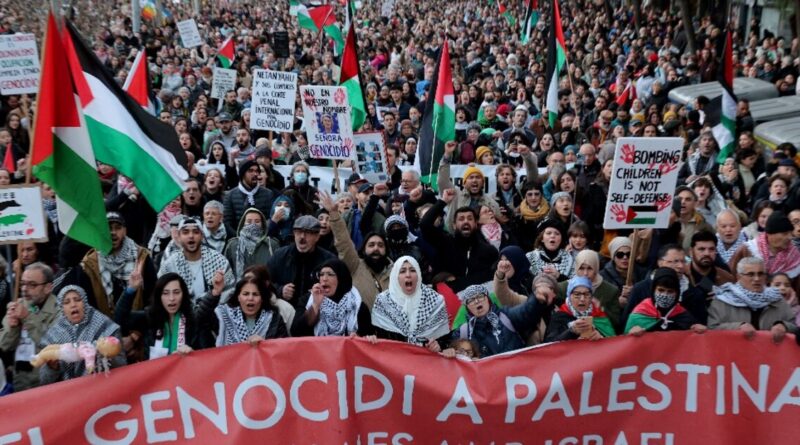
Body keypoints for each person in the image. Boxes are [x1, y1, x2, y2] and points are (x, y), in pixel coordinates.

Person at [39, 286, 126, 384]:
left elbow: (122, 364)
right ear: (62, 308)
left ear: (84, 302)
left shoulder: (105, 326)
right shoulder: (54, 335)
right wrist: (52, 368)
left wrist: (106, 355)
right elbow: (44, 381)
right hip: (71, 394)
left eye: (77, 300)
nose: (73, 305)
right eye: (67, 302)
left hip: (103, 387)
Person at [320, 191, 392, 310]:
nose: (376, 248)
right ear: (363, 250)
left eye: (380, 245)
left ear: (386, 250)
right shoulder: (355, 266)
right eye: (371, 245)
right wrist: (333, 214)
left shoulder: (396, 270)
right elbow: (343, 242)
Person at [81, 212, 156, 318]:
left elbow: (152, 296)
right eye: (108, 228)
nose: (113, 232)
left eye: (117, 228)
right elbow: (89, 304)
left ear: (125, 231)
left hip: (137, 326)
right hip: (104, 329)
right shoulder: (91, 263)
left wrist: (137, 331)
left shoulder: (141, 258)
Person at [420, 192, 499, 291]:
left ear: (475, 224)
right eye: (461, 219)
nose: (466, 221)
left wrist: (459, 283)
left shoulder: (488, 251)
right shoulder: (444, 243)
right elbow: (425, 224)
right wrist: (442, 201)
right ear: (454, 225)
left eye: (470, 218)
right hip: (448, 299)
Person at [114, 273, 203, 358]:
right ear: (158, 296)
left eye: (176, 292)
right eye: (165, 293)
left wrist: (192, 353)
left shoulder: (193, 320)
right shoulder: (149, 317)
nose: (171, 298)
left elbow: (205, 355)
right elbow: (120, 318)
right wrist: (131, 289)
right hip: (155, 372)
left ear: (183, 295)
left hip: (185, 371)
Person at [0, 263, 59, 391]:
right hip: (20, 381)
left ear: (48, 287)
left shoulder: (58, 309)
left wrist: (27, 317)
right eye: (23, 283)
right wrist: (12, 327)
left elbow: (49, 345)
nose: (25, 289)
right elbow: (4, 345)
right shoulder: (18, 305)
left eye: (32, 285)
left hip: (47, 383)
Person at [709, 257, 797, 342]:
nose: (757, 279)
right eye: (751, 274)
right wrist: (737, 327)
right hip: (733, 354)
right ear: (738, 276)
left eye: (760, 274)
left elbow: (794, 326)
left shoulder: (777, 299)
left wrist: (784, 326)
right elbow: (711, 328)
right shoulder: (723, 299)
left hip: (770, 355)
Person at [371, 256, 450, 350]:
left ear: (419, 275)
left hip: (425, 361)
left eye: (413, 270)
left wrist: (438, 345)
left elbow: (445, 341)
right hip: (392, 359)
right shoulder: (383, 301)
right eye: (402, 271)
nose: (408, 275)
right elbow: (377, 337)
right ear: (395, 276)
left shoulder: (435, 301)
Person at [450, 283, 545, 357]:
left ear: (488, 299)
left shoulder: (506, 316)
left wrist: (536, 299)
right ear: (467, 308)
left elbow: (526, 312)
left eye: (480, 296)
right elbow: (454, 355)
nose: (477, 301)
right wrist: (447, 352)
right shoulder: (462, 332)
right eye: (471, 300)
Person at [158, 217, 235, 303]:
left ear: (202, 236)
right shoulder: (170, 264)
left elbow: (229, 292)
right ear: (179, 237)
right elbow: (161, 292)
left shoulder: (219, 261)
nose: (191, 236)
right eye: (185, 232)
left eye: (195, 232)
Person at [266, 215, 336, 309]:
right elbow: (264, 281)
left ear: (317, 237)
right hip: (286, 313)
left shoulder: (328, 260)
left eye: (307, 233)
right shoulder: (280, 256)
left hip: (317, 312)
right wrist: (280, 290)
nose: (302, 237)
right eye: (298, 232)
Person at [291, 259, 372, 337]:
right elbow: (295, 332)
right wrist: (315, 305)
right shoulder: (307, 300)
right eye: (321, 274)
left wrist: (358, 338)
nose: (324, 279)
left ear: (341, 278)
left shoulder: (357, 306)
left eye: (330, 274)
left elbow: (367, 337)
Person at [197, 277, 288, 346]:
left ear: (262, 299)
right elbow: (200, 319)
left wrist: (265, 344)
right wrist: (215, 293)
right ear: (238, 297)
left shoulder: (274, 318)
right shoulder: (225, 315)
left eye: (255, 294)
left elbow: (283, 348)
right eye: (245, 294)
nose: (250, 298)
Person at [625, 268, 706, 335]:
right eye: (661, 290)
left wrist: (700, 331)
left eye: (670, 291)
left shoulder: (682, 315)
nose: (665, 295)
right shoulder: (639, 314)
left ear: (677, 293)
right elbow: (625, 344)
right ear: (653, 290)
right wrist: (631, 333)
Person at [557, 250, 622, 332]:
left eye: (589, 268)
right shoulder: (563, 288)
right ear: (576, 268)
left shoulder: (610, 290)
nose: (585, 273)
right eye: (581, 268)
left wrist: (601, 309)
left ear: (596, 268)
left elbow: (617, 322)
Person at [544, 276, 616, 342]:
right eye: (577, 294)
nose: (582, 299)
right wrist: (571, 331)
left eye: (586, 294)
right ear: (569, 296)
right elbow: (549, 345)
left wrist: (601, 338)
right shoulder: (559, 317)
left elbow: (613, 344)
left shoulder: (599, 315)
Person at [732, 211, 800, 279]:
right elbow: (731, 276)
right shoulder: (748, 250)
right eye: (785, 234)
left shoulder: (794, 256)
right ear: (770, 234)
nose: (790, 237)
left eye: (790, 233)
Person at [223, 159, 276, 235]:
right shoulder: (230, 195)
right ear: (242, 174)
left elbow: (269, 219)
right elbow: (227, 223)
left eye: (257, 171)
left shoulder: (268, 193)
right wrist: (239, 238)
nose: (255, 174)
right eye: (250, 171)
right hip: (238, 240)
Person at [224, 208, 280, 278]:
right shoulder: (233, 245)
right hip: (240, 287)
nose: (253, 224)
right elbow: (226, 273)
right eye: (249, 221)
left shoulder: (271, 245)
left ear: (262, 224)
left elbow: (278, 272)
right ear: (243, 224)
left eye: (257, 221)